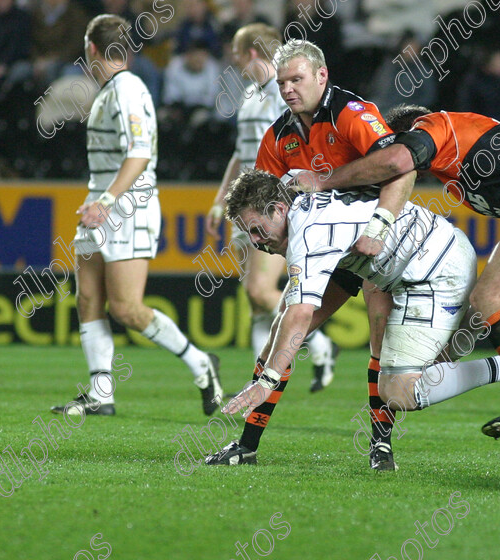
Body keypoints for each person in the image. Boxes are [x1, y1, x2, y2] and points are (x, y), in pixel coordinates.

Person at [295, 105, 500, 473]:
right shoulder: (461, 168)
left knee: (489, 295)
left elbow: (398, 158)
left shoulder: (435, 125)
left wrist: (323, 181)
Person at [216, 169, 500, 470]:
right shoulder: (294, 184)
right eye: (249, 233)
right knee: (280, 338)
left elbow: (301, 313)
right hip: (388, 260)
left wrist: (266, 382)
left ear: (279, 208)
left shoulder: (308, 234)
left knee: (401, 391)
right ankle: (247, 446)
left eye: (257, 229)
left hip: (433, 272)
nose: (256, 242)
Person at [204, 39, 415, 471]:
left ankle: (381, 445)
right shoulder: (278, 135)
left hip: (372, 247)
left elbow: (401, 166)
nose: (287, 89)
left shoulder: (353, 114)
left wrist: (380, 227)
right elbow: (262, 198)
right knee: (284, 330)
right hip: (326, 249)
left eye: (296, 79)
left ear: (322, 76)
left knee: (381, 343)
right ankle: (246, 444)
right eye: (282, 82)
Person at [50, 14, 222, 417]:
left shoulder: (127, 89)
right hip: (101, 203)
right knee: (89, 297)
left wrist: (106, 203)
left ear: (92, 49)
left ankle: (202, 365)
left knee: (126, 309)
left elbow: (140, 154)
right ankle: (101, 394)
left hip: (125, 207)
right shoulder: (112, 90)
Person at [205, 24, 337, 392]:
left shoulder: (285, 98)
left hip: (269, 205)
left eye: (236, 52)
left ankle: (323, 346)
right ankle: (257, 378)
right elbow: (240, 153)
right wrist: (220, 202)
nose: (234, 59)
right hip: (246, 203)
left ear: (249, 53)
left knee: (261, 290)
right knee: (254, 299)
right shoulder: (251, 95)